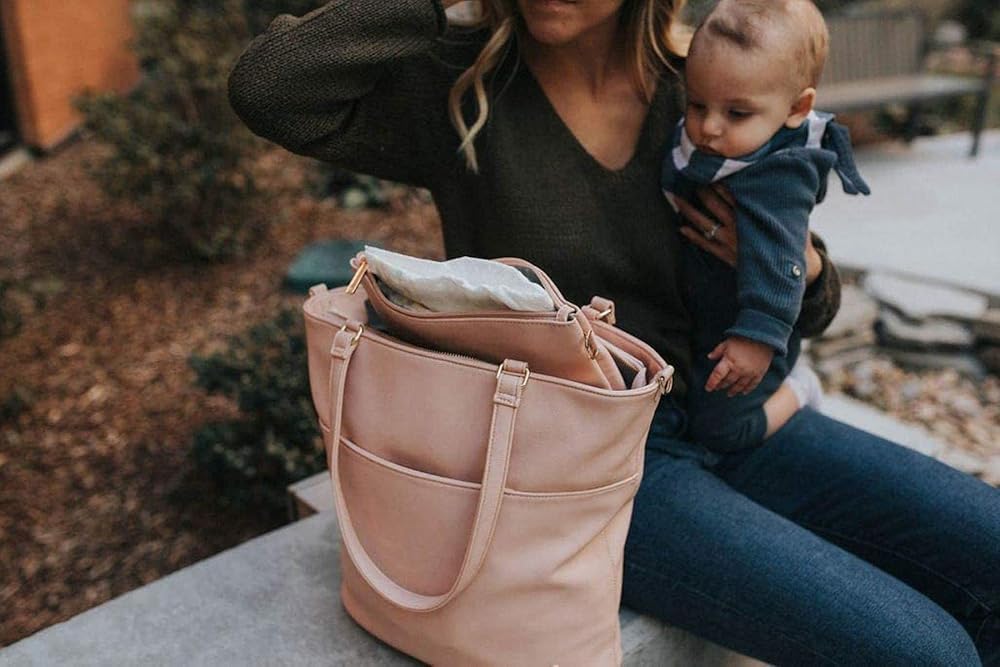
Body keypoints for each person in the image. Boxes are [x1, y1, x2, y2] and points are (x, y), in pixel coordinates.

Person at [227, 0, 1000, 663]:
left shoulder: (703, 86)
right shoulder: (459, 87)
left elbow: (810, 294)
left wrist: (803, 266)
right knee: (926, 650)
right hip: (588, 465)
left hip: (733, 413)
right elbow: (268, 88)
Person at [660, 0, 870, 453]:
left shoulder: (779, 176)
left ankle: (799, 389)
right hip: (710, 321)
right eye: (697, 104)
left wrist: (759, 338)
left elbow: (784, 262)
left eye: (737, 114)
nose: (708, 127)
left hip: (750, 333)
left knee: (722, 432)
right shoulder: (730, 136)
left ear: (797, 108)